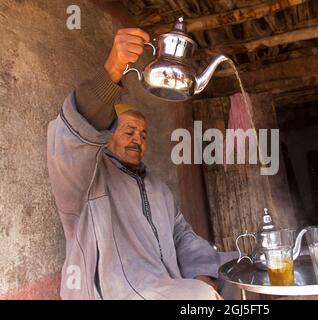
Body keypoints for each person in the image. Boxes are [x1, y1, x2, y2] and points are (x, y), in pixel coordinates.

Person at [47, 28, 221, 300]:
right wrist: (112, 70)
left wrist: (202, 274)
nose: (136, 140)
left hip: (164, 287)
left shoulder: (158, 190)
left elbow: (183, 237)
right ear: (105, 137)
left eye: (142, 135)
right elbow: (73, 136)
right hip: (109, 295)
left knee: (233, 271)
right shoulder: (86, 180)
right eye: (128, 132)